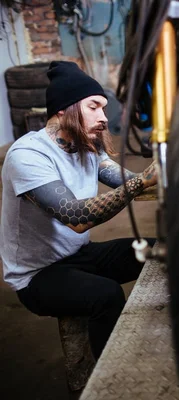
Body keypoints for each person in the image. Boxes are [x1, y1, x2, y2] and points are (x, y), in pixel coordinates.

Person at [0, 61, 157, 360]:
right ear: (64, 109)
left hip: (78, 256)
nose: (103, 117)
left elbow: (132, 182)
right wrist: (141, 184)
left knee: (161, 253)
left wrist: (173, 175)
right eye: (94, 107)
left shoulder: (88, 147)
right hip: (37, 276)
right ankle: (110, 380)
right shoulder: (28, 156)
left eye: (103, 108)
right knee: (106, 296)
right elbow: (77, 218)